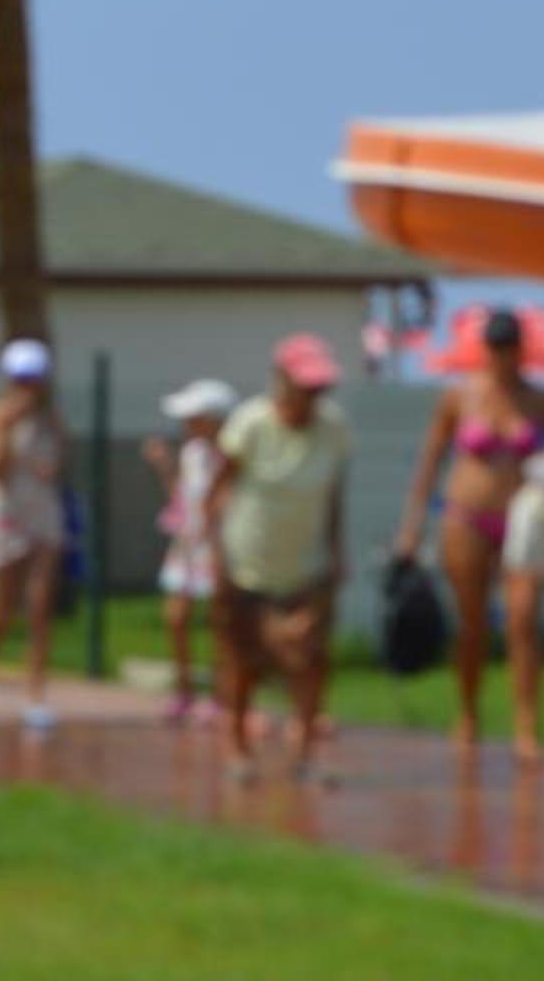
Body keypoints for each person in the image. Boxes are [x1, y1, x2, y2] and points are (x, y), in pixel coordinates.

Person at [393, 305, 544, 763]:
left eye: (510, 348)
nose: (504, 357)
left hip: (523, 521)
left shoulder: (541, 400)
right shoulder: (459, 396)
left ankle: (527, 726)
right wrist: (412, 527)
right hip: (467, 516)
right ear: (485, 350)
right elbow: (431, 461)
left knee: (523, 620)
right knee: (471, 624)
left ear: (521, 350)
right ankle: (468, 712)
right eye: (496, 348)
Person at [207, 334, 350, 784]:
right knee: (241, 661)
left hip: (305, 565)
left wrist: (336, 551)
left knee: (310, 659)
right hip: (247, 562)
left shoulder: (334, 429)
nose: (314, 396)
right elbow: (216, 494)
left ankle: (304, 754)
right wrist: (216, 558)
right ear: (282, 381)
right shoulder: (250, 424)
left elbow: (334, 495)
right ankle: (237, 748)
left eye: (320, 387)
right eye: (306, 386)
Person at [0, 338, 66, 730]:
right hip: (5, 515)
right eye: (21, 378)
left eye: (33, 379)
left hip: (42, 513)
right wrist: (7, 428)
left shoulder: (51, 418)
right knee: (1, 609)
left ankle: (35, 695)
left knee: (40, 607)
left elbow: (56, 466)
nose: (28, 386)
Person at [142, 378, 236, 726]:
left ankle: (219, 697)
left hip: (219, 547)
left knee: (219, 622)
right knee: (176, 617)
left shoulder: (232, 456)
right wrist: (164, 466)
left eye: (193, 417)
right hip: (188, 545)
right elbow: (182, 499)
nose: (186, 424)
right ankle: (184, 693)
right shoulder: (192, 454)